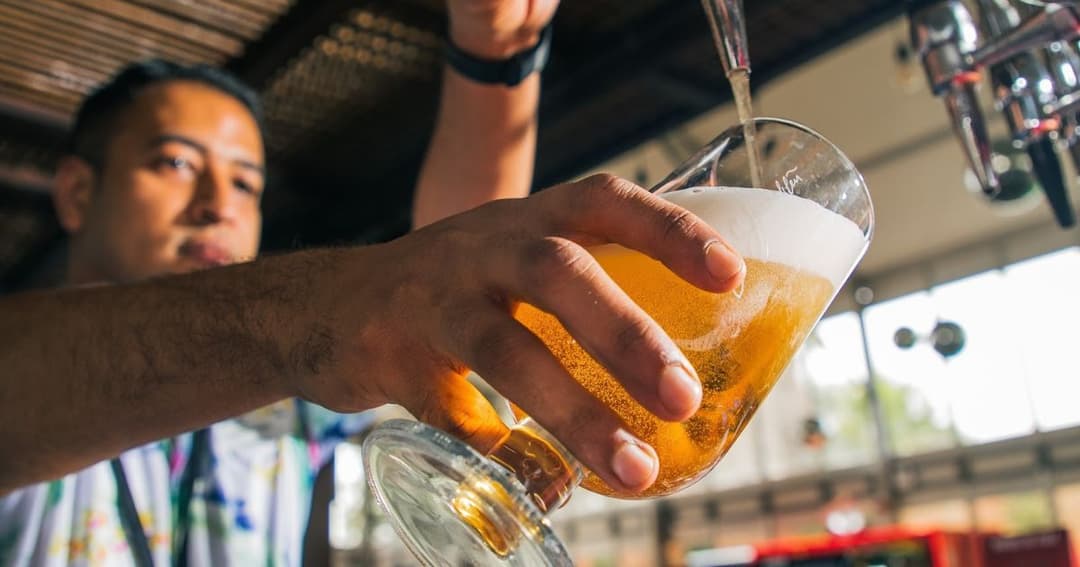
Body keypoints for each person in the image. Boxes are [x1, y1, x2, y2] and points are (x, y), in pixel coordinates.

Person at [0, 1, 746, 565]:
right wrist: (306, 315)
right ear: (73, 194)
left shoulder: (275, 421)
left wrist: (495, 47)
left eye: (245, 182)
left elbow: (446, 305)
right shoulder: (40, 384)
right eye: (174, 163)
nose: (218, 203)